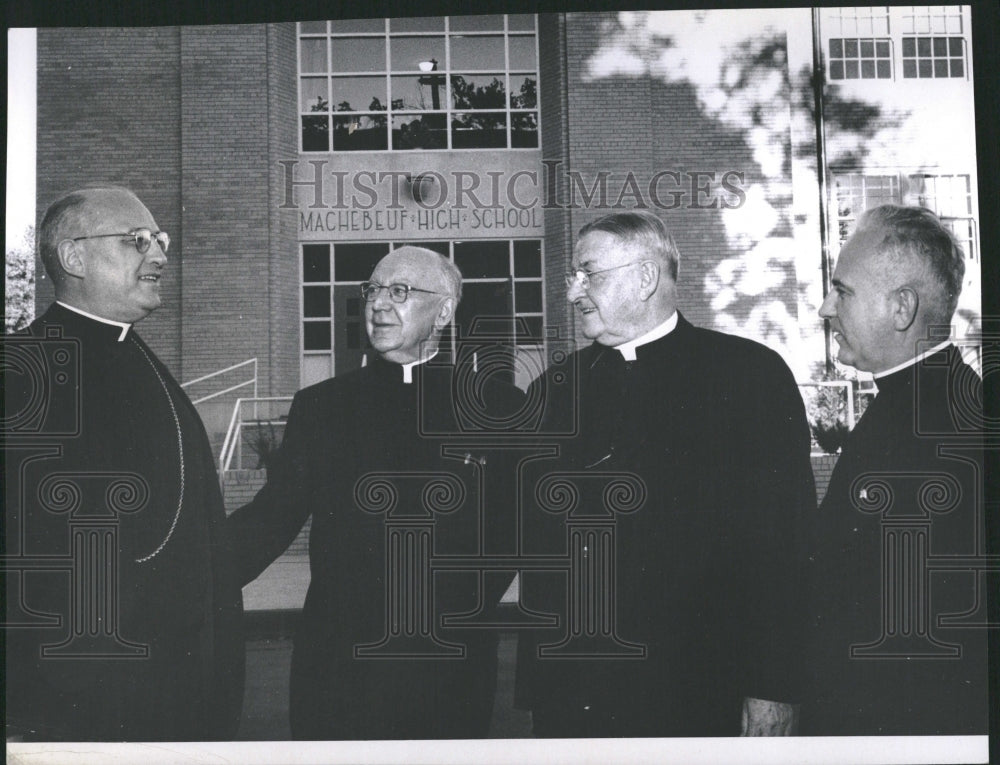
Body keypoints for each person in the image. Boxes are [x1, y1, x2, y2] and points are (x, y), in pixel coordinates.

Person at [514, 210, 816, 737]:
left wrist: (775, 684)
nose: (573, 291)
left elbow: (784, 546)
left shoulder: (748, 376)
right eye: (573, 276)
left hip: (698, 688)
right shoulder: (555, 390)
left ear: (646, 276)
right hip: (577, 695)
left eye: (590, 274)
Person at [228, 245, 523, 740]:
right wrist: (189, 574)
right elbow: (271, 519)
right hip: (339, 663)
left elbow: (511, 532)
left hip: (449, 664)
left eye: (400, 291)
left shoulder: (496, 408)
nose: (379, 304)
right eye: (372, 290)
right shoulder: (321, 408)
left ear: (445, 311)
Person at [4, 187, 244, 741]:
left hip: (178, 694)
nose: (159, 255)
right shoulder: (18, 374)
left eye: (160, 240)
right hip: (72, 705)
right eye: (137, 240)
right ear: (73, 257)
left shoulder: (142, 360)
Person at [803, 204, 987, 735]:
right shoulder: (922, 404)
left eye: (843, 291)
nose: (824, 308)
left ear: (901, 307)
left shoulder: (936, 430)